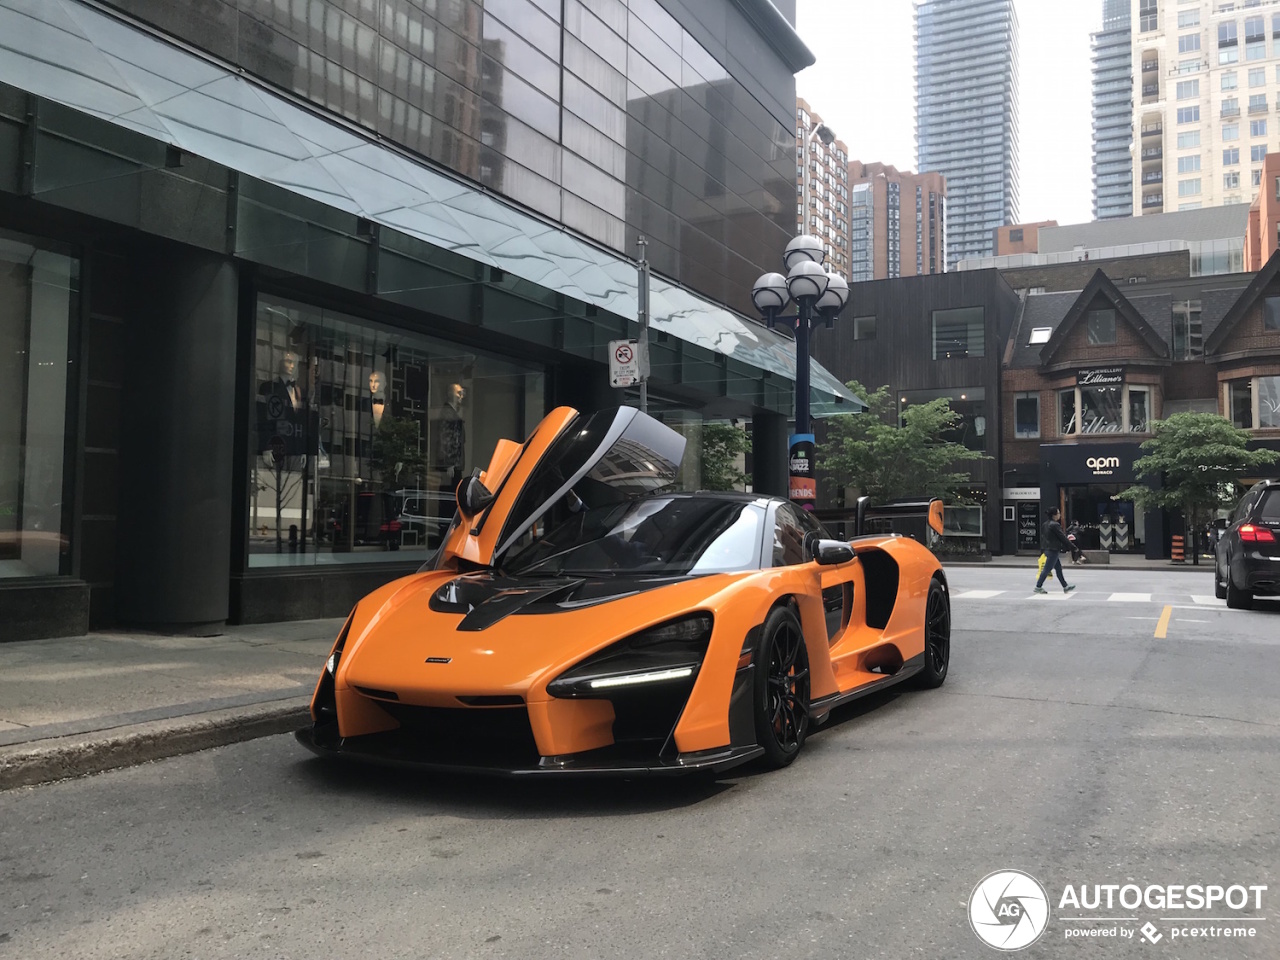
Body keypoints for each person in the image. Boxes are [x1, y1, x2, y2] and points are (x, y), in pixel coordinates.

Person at [1034, 507, 1077, 595]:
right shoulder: (1055, 525)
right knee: (1047, 569)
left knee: (1058, 569)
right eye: (1058, 513)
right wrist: (1073, 547)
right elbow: (1062, 537)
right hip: (1053, 549)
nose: (1059, 515)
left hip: (1047, 549)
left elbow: (1043, 538)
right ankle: (1038, 586)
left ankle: (1065, 586)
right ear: (1054, 515)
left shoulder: (1045, 524)